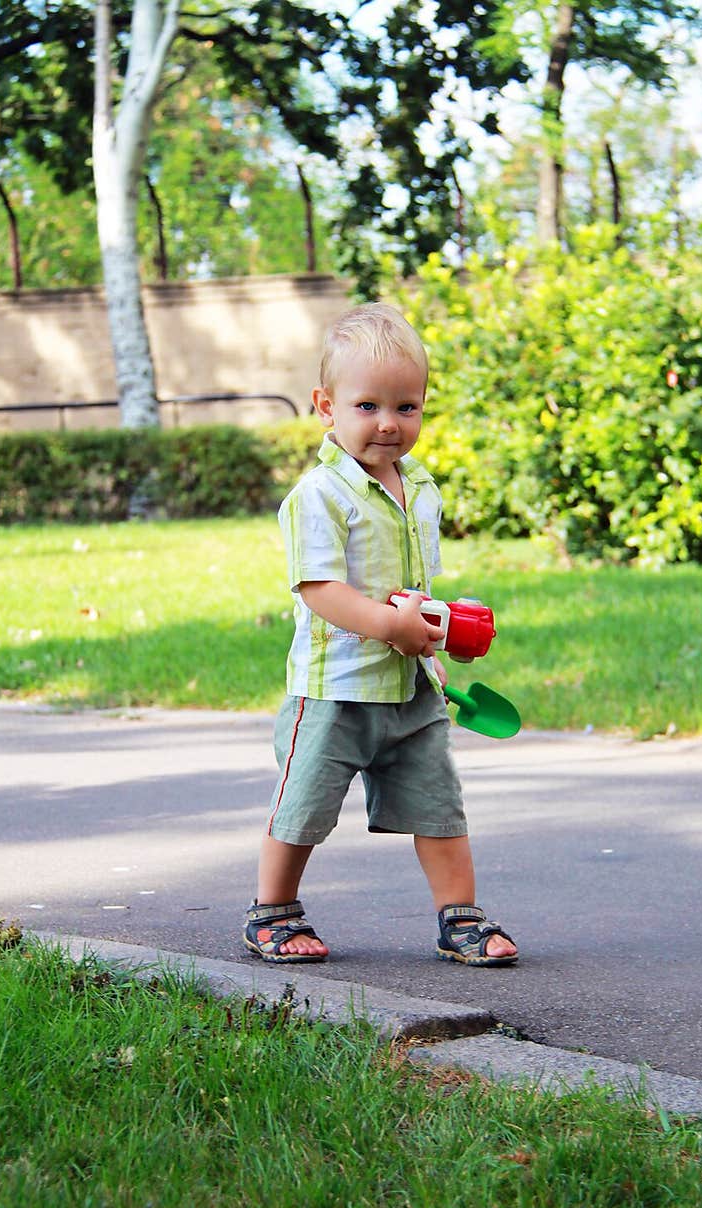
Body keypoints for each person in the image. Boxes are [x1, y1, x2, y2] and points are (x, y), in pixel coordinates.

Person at [242, 302, 518, 968]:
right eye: (367, 406)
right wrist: (389, 624)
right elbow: (320, 589)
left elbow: (419, 581)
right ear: (325, 405)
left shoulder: (421, 489)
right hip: (334, 689)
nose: (389, 424)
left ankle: (461, 916)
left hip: (410, 689)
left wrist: (431, 637)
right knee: (304, 804)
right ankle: (271, 911)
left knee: (438, 803)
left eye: (407, 407)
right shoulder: (319, 495)